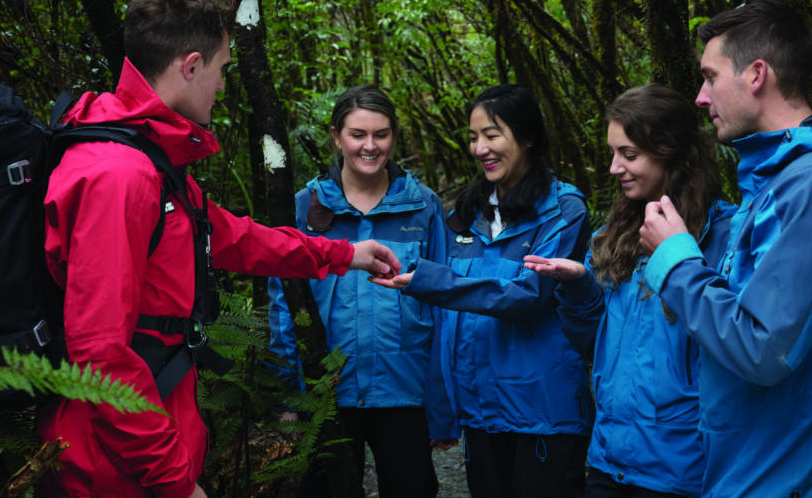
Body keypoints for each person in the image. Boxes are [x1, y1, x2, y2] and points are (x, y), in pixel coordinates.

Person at [36, 0, 400, 498]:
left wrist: (345, 254)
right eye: (222, 69)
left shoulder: (151, 160)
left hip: (137, 450)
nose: (223, 86)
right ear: (189, 66)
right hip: (110, 468)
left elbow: (236, 239)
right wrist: (175, 482)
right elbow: (100, 354)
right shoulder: (120, 175)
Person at [638, 0, 812, 497]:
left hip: (798, 474)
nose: (699, 97)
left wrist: (675, 262)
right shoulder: (782, 182)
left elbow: (763, 348)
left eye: (710, 77)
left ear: (757, 75)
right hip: (763, 466)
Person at [373, 84, 594, 498]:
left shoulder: (564, 210)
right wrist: (443, 411)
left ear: (527, 137)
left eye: (492, 134)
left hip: (543, 414)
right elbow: (447, 322)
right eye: (474, 137)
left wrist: (429, 281)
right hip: (480, 414)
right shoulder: (465, 214)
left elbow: (528, 295)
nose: (480, 148)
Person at [524, 83, 736, 498]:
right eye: (612, 153)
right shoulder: (613, 236)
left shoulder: (725, 237)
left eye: (629, 155)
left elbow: (736, 347)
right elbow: (592, 345)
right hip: (609, 460)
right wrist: (579, 286)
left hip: (684, 469)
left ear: (670, 151)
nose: (613, 168)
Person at [267, 85, 447, 498]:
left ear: (394, 136)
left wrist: (441, 404)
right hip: (327, 392)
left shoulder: (423, 206)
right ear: (336, 136)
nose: (370, 146)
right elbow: (283, 304)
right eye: (357, 134)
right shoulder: (303, 208)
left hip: (405, 393)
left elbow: (444, 307)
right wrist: (287, 397)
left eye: (381, 134)